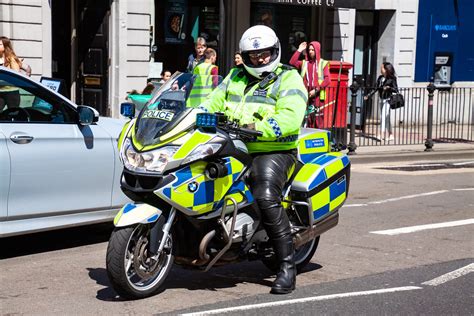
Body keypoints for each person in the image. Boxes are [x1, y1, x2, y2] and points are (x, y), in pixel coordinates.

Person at [200, 25, 307, 294]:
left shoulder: (288, 78)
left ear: (275, 52)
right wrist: (196, 115)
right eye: (253, 55)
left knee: (265, 195)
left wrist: (259, 127)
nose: (258, 60)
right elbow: (212, 102)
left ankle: (286, 267)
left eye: (264, 54)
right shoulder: (235, 75)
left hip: (272, 149)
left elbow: (291, 117)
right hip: (232, 144)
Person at [289, 41, 330, 128]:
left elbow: (327, 80)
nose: (310, 51)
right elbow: (292, 62)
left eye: (313, 50)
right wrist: (299, 50)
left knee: (318, 120)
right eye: (309, 50)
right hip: (305, 95)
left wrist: (316, 90)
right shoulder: (304, 63)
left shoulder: (323, 63)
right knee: (307, 119)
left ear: (317, 51)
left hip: (318, 96)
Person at [364, 62, 398, 141]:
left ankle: (381, 134)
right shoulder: (380, 78)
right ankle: (391, 134)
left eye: (382, 67)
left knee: (383, 116)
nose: (380, 69)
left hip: (388, 100)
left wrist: (389, 87)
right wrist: (368, 95)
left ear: (386, 69)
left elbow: (396, 89)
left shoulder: (392, 79)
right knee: (387, 118)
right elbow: (375, 88)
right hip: (381, 99)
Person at [0, 36, 22, 111]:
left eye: (0, 44)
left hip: (11, 91)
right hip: (0, 91)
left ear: (5, 46)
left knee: (13, 113)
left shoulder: (11, 59)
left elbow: (16, 76)